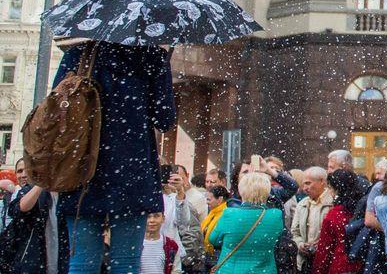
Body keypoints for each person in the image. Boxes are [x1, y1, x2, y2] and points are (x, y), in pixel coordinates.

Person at [54, 41, 176, 274]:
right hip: (132, 171)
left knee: (81, 263)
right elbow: (165, 119)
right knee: (126, 262)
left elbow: (56, 106)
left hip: (82, 168)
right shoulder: (150, 57)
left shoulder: (78, 54)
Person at [208, 171, 284, 274]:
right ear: (267, 191)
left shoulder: (229, 213)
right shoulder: (275, 215)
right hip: (264, 271)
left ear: (241, 191)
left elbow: (213, 240)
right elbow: (277, 240)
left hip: (230, 270)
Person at [312, 169, 366, 274]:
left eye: (331, 188)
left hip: (340, 265)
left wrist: (318, 270)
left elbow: (324, 251)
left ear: (337, 190)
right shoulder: (364, 209)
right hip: (361, 264)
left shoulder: (334, 215)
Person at [5, 158, 52, 274]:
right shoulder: (12, 195)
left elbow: (23, 208)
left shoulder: (41, 192)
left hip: (33, 259)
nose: (24, 175)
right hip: (17, 258)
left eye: (28, 170)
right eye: (20, 171)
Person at [292, 167, 335, 272]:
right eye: (304, 184)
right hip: (304, 262)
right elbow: (294, 232)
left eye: (308, 183)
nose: (305, 188)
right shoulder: (302, 204)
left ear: (322, 181)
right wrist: (300, 244)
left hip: (326, 262)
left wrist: (321, 245)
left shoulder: (333, 204)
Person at [201, 186, 230, 261]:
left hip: (217, 255)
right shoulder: (212, 212)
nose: (207, 202)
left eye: (209, 199)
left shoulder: (225, 215)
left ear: (220, 199)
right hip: (208, 255)